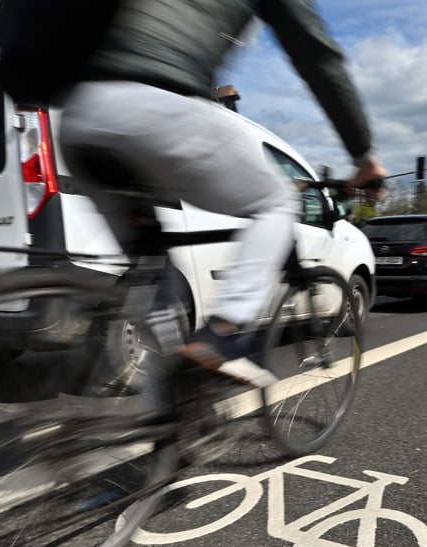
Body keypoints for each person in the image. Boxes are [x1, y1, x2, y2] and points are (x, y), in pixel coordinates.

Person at [58, 0, 387, 387]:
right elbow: (316, 54)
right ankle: (222, 338)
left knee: (150, 262)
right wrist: (363, 154)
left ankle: (164, 413)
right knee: (278, 202)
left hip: (79, 118)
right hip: (156, 105)